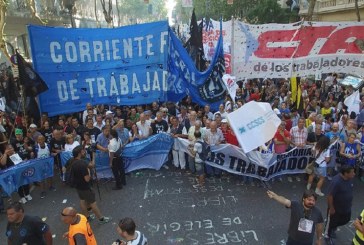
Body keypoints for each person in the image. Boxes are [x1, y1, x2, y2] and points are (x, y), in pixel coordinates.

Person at [70, 145, 111, 224]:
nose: (84, 152)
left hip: (78, 186)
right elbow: (87, 179)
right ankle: (101, 219)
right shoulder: (82, 164)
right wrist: (88, 169)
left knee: (82, 200)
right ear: (79, 153)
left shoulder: (73, 161)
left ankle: (87, 217)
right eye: (83, 151)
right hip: (85, 187)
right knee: (93, 203)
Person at [325, 165, 355, 243]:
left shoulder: (350, 179)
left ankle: (333, 227)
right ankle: (327, 236)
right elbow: (330, 195)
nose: (354, 174)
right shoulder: (336, 182)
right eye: (352, 172)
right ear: (345, 173)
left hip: (346, 207)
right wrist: (331, 208)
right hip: (336, 209)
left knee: (346, 220)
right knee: (331, 223)